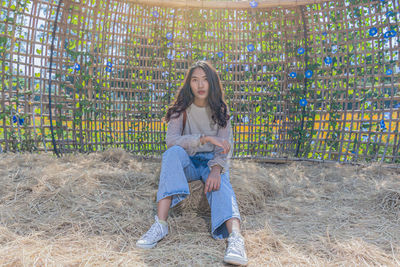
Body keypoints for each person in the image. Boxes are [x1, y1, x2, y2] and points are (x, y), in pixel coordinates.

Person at [136, 61, 248, 266]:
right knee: (171, 154)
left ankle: (235, 239)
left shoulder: (221, 110)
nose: (200, 85)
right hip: (186, 162)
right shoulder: (180, 109)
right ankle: (160, 224)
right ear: (189, 84)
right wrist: (203, 138)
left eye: (205, 79)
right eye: (195, 80)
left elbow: (224, 147)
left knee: (221, 183)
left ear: (212, 83)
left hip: (209, 163)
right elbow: (171, 141)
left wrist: (216, 170)